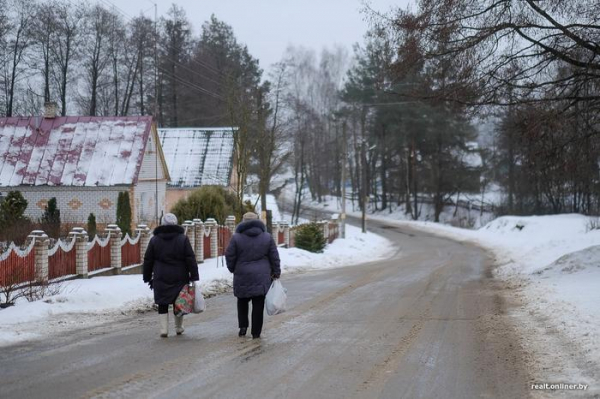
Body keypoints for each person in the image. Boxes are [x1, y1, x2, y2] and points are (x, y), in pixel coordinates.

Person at [225, 212, 281, 339]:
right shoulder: (267, 237)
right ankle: (256, 332)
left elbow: (230, 255)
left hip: (242, 274)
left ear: (243, 222)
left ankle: (243, 327)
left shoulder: (236, 237)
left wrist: (232, 268)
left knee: (242, 301)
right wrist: (276, 272)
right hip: (261, 275)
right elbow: (274, 256)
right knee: (258, 303)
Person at [143, 213, 199, 338]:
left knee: (162, 302)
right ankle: (178, 327)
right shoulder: (182, 239)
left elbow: (148, 260)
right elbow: (190, 258)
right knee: (178, 301)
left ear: (162, 223)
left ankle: (164, 329)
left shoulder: (154, 240)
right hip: (179, 274)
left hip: (160, 275)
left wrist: (147, 276)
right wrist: (194, 275)